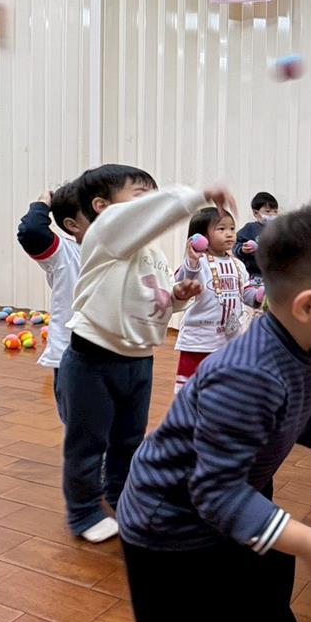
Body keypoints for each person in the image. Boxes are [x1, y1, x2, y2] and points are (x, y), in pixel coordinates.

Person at [116, 201, 311, 622]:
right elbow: (215, 491)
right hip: (170, 528)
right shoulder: (249, 375)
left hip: (234, 499)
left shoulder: (305, 347)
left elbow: (304, 417)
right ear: (308, 306)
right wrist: (308, 540)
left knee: (268, 596)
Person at [58, 164, 233, 542]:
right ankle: (83, 511)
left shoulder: (151, 252)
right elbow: (152, 212)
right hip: (93, 359)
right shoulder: (105, 233)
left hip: (139, 359)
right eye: (141, 194)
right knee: (87, 444)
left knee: (128, 440)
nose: (151, 202)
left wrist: (176, 297)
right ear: (103, 206)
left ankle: (120, 494)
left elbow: (154, 300)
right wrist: (198, 194)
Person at [16, 180, 90, 422]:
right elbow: (32, 231)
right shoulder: (64, 253)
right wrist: (42, 203)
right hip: (74, 354)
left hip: (118, 354)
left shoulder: (123, 252)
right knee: (82, 426)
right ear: (72, 224)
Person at [173, 207, 265, 394]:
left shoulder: (238, 264)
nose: (229, 234)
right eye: (221, 229)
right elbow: (181, 281)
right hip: (199, 340)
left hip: (229, 340)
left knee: (223, 387)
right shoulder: (197, 262)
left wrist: (258, 296)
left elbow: (245, 292)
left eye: (232, 228)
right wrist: (192, 261)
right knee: (190, 389)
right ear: (201, 236)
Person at [235, 191, 278, 278]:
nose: (272, 214)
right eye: (268, 211)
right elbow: (235, 243)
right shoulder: (250, 228)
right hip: (254, 275)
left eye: (275, 211)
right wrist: (242, 249)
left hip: (274, 275)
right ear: (256, 213)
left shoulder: (279, 229)